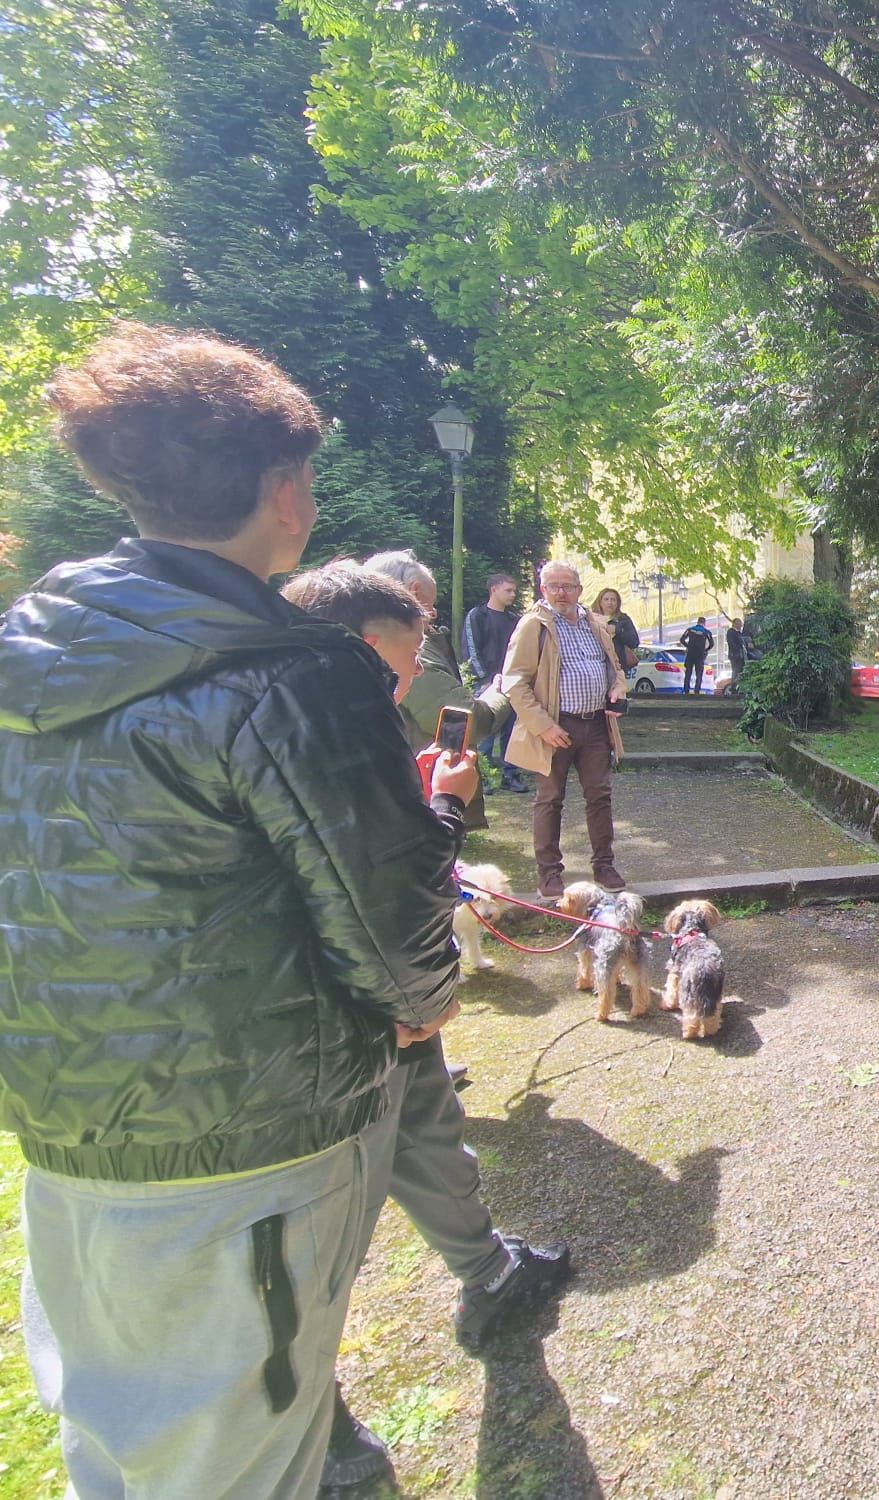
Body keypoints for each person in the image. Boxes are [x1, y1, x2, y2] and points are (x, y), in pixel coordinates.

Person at [0, 324, 465, 1500]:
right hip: (247, 1137)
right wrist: (421, 1004)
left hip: (61, 1123)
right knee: (233, 1461)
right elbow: (389, 915)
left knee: (116, 1439)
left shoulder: (26, 658)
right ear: (283, 491)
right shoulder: (290, 675)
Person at [280, 564, 574, 1489]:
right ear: (369, 641)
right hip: (337, 1017)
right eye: (407, 658)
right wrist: (445, 805)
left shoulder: (326, 703)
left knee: (428, 1131)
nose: (411, 680)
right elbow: (386, 875)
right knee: (310, 1232)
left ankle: (490, 1273)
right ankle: (306, 1435)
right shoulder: (319, 719)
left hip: (385, 1010)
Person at [502, 560, 628, 898]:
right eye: (553, 586)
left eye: (567, 586)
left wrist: (617, 689)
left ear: (579, 590)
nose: (561, 592)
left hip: (596, 725)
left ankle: (604, 865)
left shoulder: (594, 623)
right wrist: (544, 727)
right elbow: (515, 684)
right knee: (550, 799)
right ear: (543, 590)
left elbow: (614, 667)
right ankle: (549, 874)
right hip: (556, 727)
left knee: (600, 797)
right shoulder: (534, 625)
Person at [363, 550, 495, 828]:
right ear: (413, 591)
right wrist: (500, 694)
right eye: (429, 605)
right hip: (413, 806)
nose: (433, 614)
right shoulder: (398, 647)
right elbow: (461, 718)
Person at [464, 573, 530, 793]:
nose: (512, 594)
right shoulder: (477, 616)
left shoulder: (514, 620)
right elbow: (472, 649)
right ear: (494, 590)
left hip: (512, 682)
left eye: (513, 590)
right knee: (485, 732)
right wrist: (483, 679)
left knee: (511, 732)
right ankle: (481, 777)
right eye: (508, 590)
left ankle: (510, 775)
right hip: (486, 684)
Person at [595, 587, 642, 673]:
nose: (610, 602)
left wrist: (617, 630)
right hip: (597, 665)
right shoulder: (592, 619)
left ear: (617, 603)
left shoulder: (623, 619)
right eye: (606, 599)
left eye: (613, 600)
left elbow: (634, 642)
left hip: (618, 666)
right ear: (600, 602)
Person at [678, 615, 714, 695]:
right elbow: (712, 644)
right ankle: (697, 690)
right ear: (704, 623)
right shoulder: (706, 632)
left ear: (697, 622)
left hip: (690, 653)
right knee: (699, 673)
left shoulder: (690, 630)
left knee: (688, 672)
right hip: (700, 654)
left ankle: (686, 689)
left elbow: (682, 639)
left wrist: (688, 646)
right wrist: (705, 650)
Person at [724, 616, 747, 694]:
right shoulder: (731, 632)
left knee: (740, 671)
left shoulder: (739, 633)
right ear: (735, 624)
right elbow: (731, 643)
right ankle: (734, 688)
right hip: (735, 655)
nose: (741, 625)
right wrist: (738, 648)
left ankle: (739, 688)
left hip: (740, 655)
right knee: (736, 671)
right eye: (739, 623)